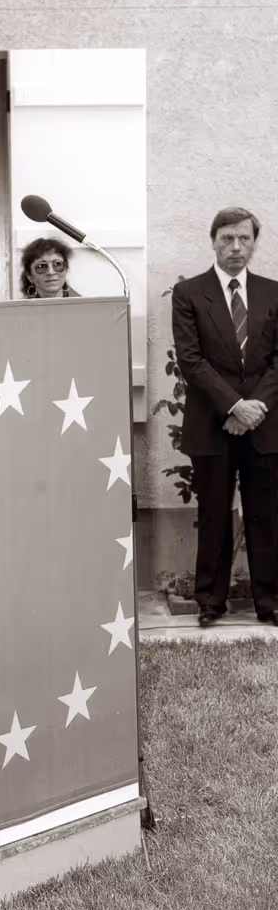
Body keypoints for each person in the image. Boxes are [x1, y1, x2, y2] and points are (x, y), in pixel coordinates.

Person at [172, 207, 278, 627]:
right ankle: (209, 603)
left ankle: (269, 601)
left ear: (255, 243)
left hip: (264, 424)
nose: (236, 247)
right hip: (212, 423)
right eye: (227, 239)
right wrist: (234, 406)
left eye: (244, 239)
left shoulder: (274, 292)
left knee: (266, 514)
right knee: (214, 514)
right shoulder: (190, 293)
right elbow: (191, 360)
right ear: (213, 240)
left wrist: (253, 409)